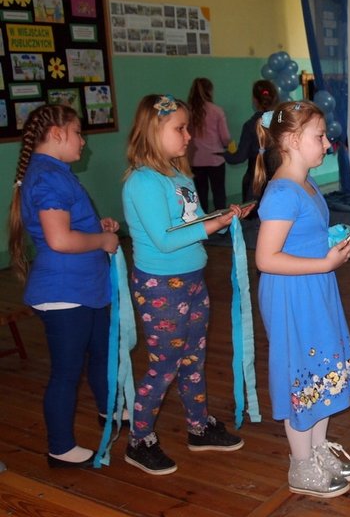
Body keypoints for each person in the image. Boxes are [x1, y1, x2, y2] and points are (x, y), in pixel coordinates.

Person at [122, 94, 250, 475]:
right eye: (179, 128)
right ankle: (139, 439)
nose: (189, 135)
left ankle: (198, 427)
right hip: (161, 287)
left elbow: (191, 224)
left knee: (194, 359)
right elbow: (165, 239)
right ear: (153, 131)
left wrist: (222, 218)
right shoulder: (143, 182)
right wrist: (212, 225)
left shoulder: (179, 176)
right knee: (164, 365)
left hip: (192, 280)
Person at [253, 101, 350, 498]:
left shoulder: (307, 183)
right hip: (292, 295)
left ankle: (317, 450)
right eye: (319, 136)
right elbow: (266, 259)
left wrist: (335, 244)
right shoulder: (282, 193)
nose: (328, 143)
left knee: (321, 368)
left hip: (315, 288)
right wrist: (324, 263)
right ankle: (300, 464)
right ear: (291, 140)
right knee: (301, 372)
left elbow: (303, 238)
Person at [8, 104, 119, 468]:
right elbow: (59, 240)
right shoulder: (48, 176)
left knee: (101, 353)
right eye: (78, 133)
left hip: (86, 289)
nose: (83, 142)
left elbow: (68, 226)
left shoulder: (55, 172)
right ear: (57, 134)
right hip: (64, 294)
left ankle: (108, 410)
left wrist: (96, 228)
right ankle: (61, 448)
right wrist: (102, 241)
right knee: (67, 373)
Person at [223, 79, 279, 208]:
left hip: (255, 182)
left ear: (254, 100)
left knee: (254, 215)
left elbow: (239, 157)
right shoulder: (282, 123)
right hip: (279, 180)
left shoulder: (250, 125)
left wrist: (223, 154)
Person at [187, 77, 231, 213]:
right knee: (219, 194)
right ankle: (222, 222)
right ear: (210, 91)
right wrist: (229, 145)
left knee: (200, 197)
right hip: (215, 159)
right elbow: (225, 138)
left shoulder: (188, 111)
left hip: (195, 160)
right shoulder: (217, 111)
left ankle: (203, 222)